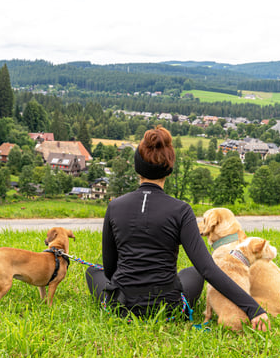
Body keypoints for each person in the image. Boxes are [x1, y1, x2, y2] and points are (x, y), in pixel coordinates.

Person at [85, 126, 270, 331]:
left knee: (94, 271)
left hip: (122, 305)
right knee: (194, 272)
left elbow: (110, 269)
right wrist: (254, 309)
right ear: (169, 168)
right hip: (168, 307)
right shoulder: (181, 210)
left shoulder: (115, 206)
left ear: (137, 166)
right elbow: (208, 269)